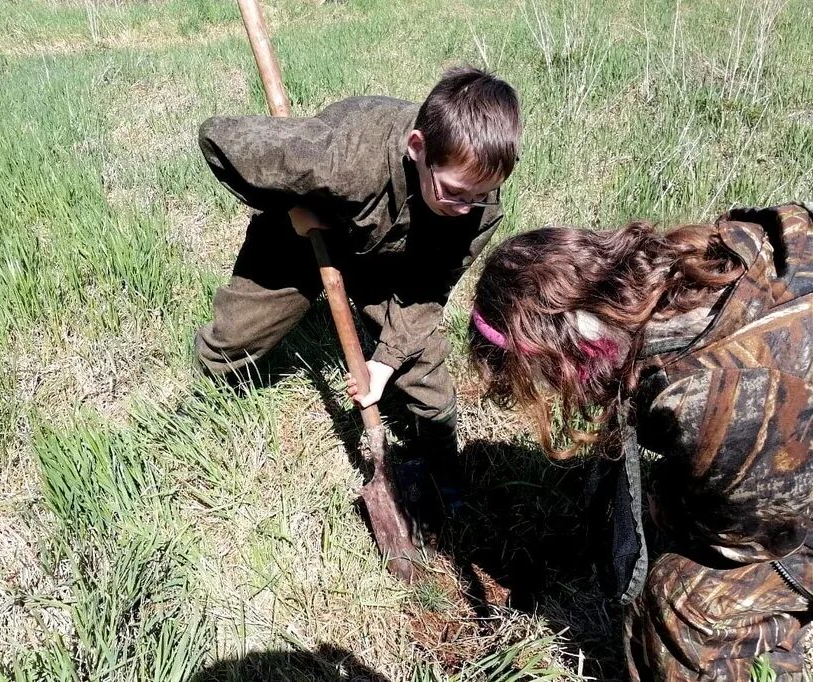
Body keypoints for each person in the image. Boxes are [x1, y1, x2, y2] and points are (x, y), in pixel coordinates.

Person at [467, 203, 813, 680]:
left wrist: (664, 511)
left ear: (566, 354)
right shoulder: (718, 254)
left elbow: (751, 539)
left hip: (782, 502)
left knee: (684, 603)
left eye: (543, 379)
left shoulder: (715, 399)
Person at [194, 67, 522, 522]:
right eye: (454, 194)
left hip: (390, 263)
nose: (466, 209)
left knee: (426, 379)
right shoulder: (340, 156)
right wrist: (291, 207)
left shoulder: (480, 207)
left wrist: (384, 363)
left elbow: (430, 287)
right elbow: (217, 138)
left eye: (480, 195)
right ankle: (199, 405)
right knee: (234, 342)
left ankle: (447, 477)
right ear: (417, 148)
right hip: (302, 235)